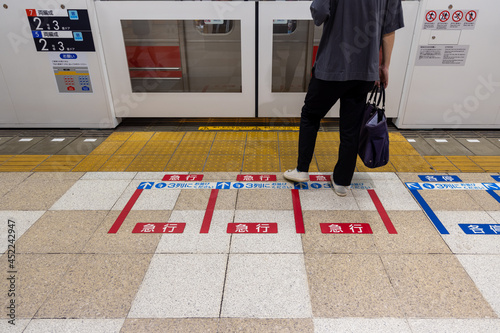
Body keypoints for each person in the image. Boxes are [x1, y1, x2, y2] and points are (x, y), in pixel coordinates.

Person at [283, 0, 404, 196]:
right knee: (351, 127)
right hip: (365, 70)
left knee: (311, 115)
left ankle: (302, 170)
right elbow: (389, 30)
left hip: (332, 66)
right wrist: (384, 66)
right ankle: (342, 181)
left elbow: (319, 12)